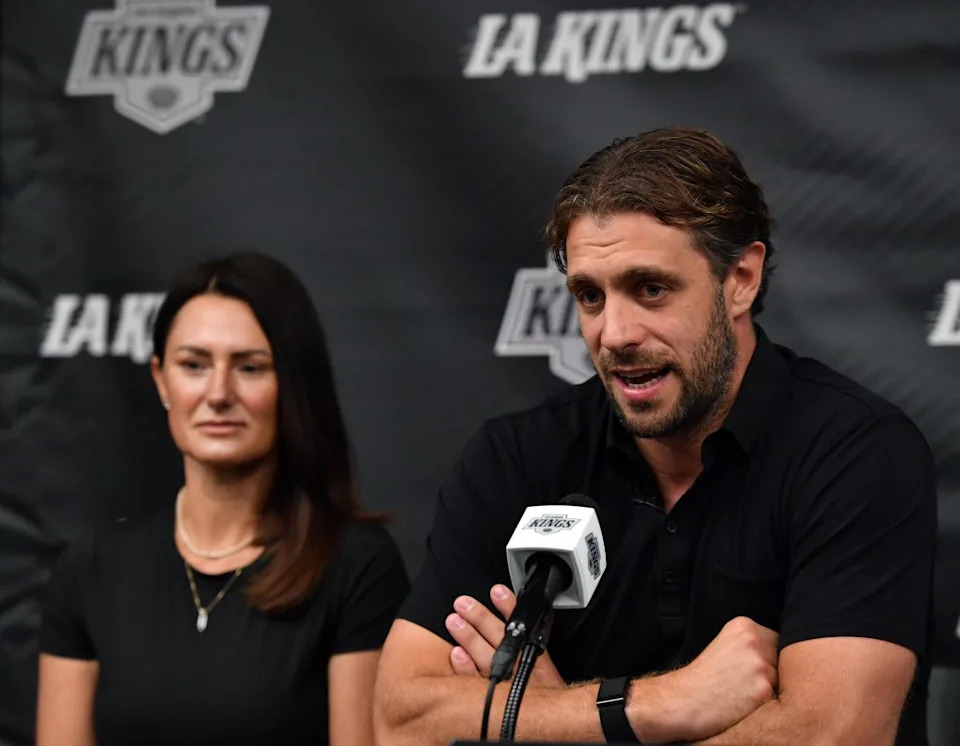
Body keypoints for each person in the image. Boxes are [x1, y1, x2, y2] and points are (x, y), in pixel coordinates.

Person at [373, 127, 937, 745]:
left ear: (741, 278)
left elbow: (831, 737)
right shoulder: (518, 458)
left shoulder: (856, 454)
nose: (614, 333)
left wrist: (550, 718)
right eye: (590, 295)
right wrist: (655, 704)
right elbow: (402, 721)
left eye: (650, 289)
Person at [36, 252, 409, 746]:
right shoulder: (90, 569)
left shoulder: (358, 566)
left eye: (250, 367)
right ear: (160, 379)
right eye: (193, 364)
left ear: (292, 384)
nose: (218, 393)